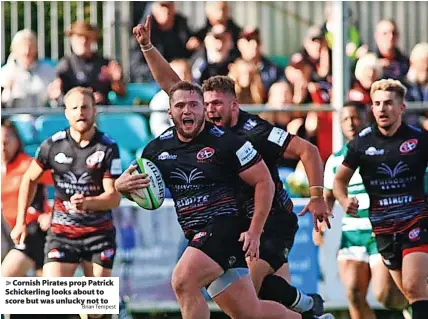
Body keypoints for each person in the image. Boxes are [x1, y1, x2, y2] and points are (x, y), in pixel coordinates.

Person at [130, 17, 334, 319]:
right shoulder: (202, 126)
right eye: (206, 104)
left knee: (225, 288)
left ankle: (303, 303)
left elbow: (307, 149)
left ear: (235, 105)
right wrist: (147, 46)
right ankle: (305, 308)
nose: (210, 110)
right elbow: (173, 86)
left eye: (217, 105)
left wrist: (316, 196)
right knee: (249, 309)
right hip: (238, 221)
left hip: (271, 221)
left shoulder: (253, 131)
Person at [333, 79, 428, 319]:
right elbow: (339, 181)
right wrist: (344, 201)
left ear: (401, 108)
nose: (382, 109)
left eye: (388, 103)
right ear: (372, 109)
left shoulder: (419, 139)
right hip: (383, 230)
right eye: (377, 104)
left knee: (415, 288)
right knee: (402, 293)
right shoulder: (361, 144)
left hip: (416, 222)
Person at [10, 87, 123, 280]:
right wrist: (20, 222)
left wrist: (88, 203)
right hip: (62, 234)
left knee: (96, 308)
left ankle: (101, 308)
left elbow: (113, 198)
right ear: (66, 112)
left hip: (98, 235)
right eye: (75, 108)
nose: (80, 112)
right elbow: (30, 178)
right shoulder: (52, 146)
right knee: (54, 296)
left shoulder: (108, 147)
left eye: (85, 107)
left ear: (94, 110)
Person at [314, 101, 408, 319]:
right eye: (345, 119)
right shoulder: (336, 159)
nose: (351, 123)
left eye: (355, 117)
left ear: (367, 118)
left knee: (386, 295)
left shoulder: (384, 149)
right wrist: (320, 223)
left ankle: (414, 301)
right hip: (352, 233)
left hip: (382, 230)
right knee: (354, 293)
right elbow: (328, 196)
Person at [1, 118, 52, 277]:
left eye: (7, 140)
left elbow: (65, 182)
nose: (3, 146)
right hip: (11, 232)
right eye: (1, 141)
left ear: (17, 141)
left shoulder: (28, 165)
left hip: (33, 231)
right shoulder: (3, 169)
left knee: (6, 278)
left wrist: (53, 214)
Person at [48, 21, 126, 105]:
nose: (83, 41)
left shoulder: (104, 64)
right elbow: (58, 96)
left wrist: (116, 81)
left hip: (102, 114)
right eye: (79, 36)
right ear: (71, 39)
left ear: (94, 39)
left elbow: (122, 94)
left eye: (87, 37)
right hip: (75, 114)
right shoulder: (65, 65)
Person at [1, 29, 56, 108]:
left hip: (43, 117)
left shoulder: (48, 69)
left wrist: (55, 96)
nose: (26, 51)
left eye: (31, 47)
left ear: (36, 49)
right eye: (22, 47)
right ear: (14, 49)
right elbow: (3, 106)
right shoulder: (5, 72)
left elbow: (55, 102)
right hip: (14, 118)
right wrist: (7, 91)